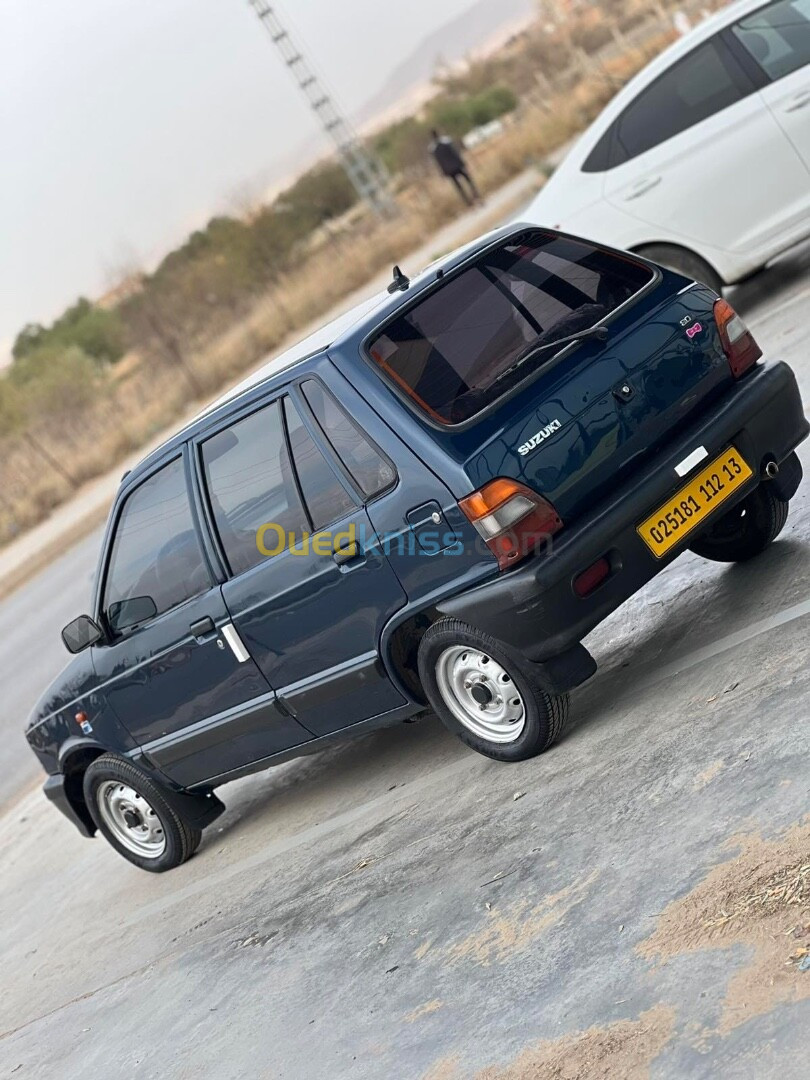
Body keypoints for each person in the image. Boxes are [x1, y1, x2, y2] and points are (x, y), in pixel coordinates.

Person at [429, 129, 481, 206]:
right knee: (468, 179)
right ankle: (475, 195)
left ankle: (468, 202)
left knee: (458, 186)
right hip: (457, 166)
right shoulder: (446, 142)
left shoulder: (434, 149)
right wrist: (463, 163)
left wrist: (443, 173)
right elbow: (455, 153)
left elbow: (439, 163)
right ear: (438, 134)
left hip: (448, 170)